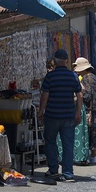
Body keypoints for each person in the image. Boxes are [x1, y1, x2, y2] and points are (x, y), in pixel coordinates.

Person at [37, 49, 82, 182]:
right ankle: (68, 173)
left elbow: (45, 96)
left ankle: (53, 170)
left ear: (55, 61)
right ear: (66, 61)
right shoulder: (73, 76)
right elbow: (80, 95)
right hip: (68, 115)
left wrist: (40, 112)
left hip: (52, 115)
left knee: (50, 142)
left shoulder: (50, 77)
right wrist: (78, 112)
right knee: (68, 144)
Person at [72, 57, 96, 165]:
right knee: (94, 133)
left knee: (87, 133)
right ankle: (94, 155)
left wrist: (76, 99)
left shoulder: (85, 79)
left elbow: (87, 95)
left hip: (89, 110)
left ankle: (88, 156)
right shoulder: (95, 78)